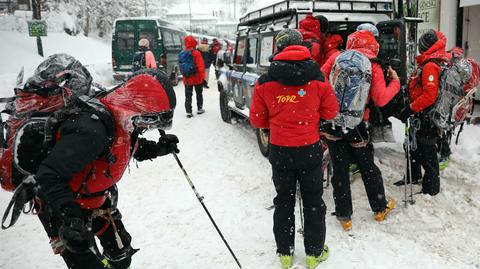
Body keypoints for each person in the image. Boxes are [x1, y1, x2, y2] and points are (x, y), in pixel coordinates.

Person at [0, 54, 179, 269]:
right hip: (63, 205)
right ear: (138, 107)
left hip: (97, 200)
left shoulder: (122, 118)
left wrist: (159, 149)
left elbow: (119, 149)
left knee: (121, 256)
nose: (146, 126)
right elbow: (49, 175)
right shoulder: (90, 132)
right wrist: (71, 219)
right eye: (149, 119)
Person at [250, 29, 339, 269]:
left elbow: (257, 119)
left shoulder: (265, 80)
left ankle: (285, 254)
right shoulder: (317, 77)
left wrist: (279, 124)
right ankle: (313, 253)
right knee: (313, 201)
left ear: (278, 48)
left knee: (284, 201)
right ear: (303, 46)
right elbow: (331, 111)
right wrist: (309, 117)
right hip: (309, 149)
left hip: (280, 151)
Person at [321, 28, 399, 231]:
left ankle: (344, 216)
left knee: (339, 170)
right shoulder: (373, 65)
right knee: (368, 168)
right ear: (373, 43)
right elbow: (381, 98)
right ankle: (380, 208)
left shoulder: (337, 57)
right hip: (357, 125)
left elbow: (320, 81)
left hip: (333, 123)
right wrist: (396, 82)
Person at [396, 30, 450, 195]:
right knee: (413, 147)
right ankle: (413, 175)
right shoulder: (428, 63)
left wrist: (411, 108)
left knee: (427, 151)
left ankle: (431, 188)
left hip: (425, 115)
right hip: (420, 114)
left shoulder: (430, 66)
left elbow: (429, 95)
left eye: (421, 45)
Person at [181, 35, 206, 118]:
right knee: (199, 93)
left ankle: (188, 111)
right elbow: (201, 66)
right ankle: (199, 108)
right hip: (197, 78)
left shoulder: (182, 53)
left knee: (188, 95)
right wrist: (203, 77)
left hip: (187, 78)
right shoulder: (196, 53)